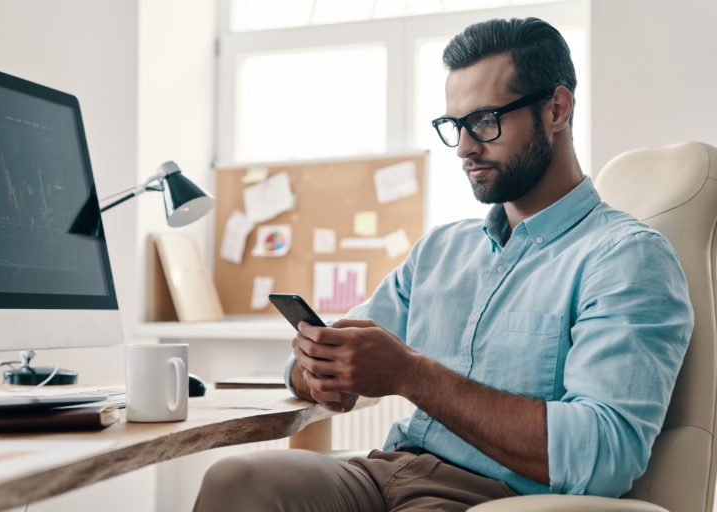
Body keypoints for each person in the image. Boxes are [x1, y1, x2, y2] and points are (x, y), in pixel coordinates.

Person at [194, 17, 693, 511]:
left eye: (484, 121)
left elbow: (605, 456)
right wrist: (318, 367)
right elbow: (339, 353)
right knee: (238, 480)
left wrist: (411, 375)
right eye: (454, 126)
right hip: (387, 470)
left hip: (495, 498)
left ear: (556, 110)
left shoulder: (625, 257)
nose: (464, 147)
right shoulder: (440, 251)